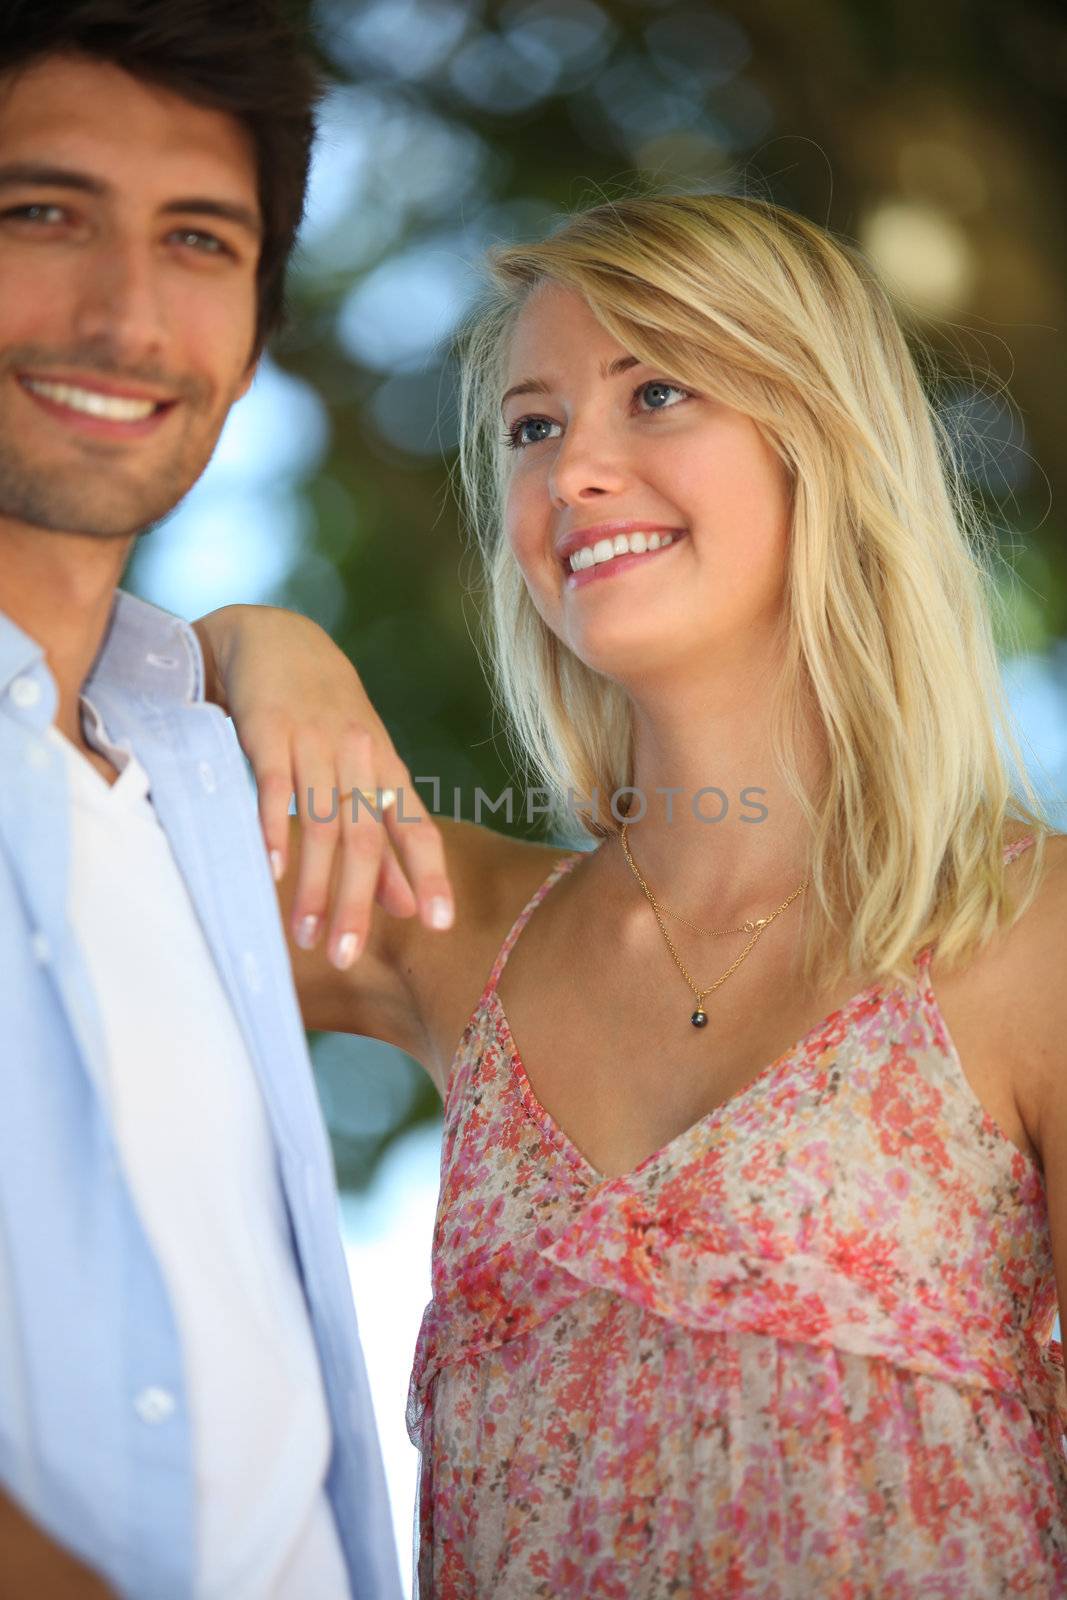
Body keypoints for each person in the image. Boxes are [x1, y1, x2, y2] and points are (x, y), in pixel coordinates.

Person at [203, 193, 1067, 1596]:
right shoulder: (459, 926)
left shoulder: (1036, 934)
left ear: (823, 438)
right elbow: (62, 798)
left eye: (653, 392)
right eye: (532, 428)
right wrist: (253, 644)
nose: (573, 472)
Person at [0, 2, 448, 1594]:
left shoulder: (210, 789)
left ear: (254, 332)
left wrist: (259, 648)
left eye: (199, 240)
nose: (123, 314)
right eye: (42, 213)